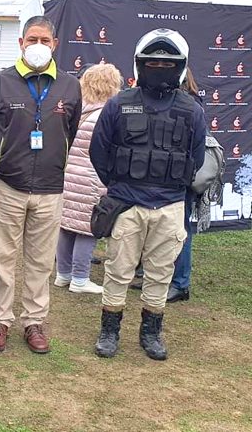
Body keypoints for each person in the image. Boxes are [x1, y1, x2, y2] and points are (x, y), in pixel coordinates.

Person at [89, 28, 205, 360]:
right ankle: (109, 331)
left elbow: (195, 159)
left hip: (169, 207)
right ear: (140, 64)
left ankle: (151, 333)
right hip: (127, 205)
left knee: (160, 272)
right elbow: (100, 152)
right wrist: (121, 188)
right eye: (152, 61)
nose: (159, 66)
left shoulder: (191, 111)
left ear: (180, 66)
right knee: (117, 270)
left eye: (167, 62)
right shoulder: (119, 104)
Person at [0, 15, 82, 354]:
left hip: (51, 188)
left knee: (41, 261)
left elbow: (71, 128)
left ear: (55, 44)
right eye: (32, 39)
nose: (37, 46)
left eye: (44, 40)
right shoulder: (1, 82)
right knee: (3, 259)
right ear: (21, 43)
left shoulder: (70, 86)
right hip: (9, 185)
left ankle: (34, 322)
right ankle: (0, 321)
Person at [55, 64, 123, 294]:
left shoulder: (76, 108)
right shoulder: (106, 115)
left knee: (66, 226)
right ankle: (80, 278)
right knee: (88, 229)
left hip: (68, 177)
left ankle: (63, 274)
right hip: (91, 180)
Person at [167, 67, 203, 303]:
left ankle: (180, 283)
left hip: (180, 178)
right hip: (171, 176)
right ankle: (165, 278)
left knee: (180, 231)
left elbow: (194, 147)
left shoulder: (190, 106)